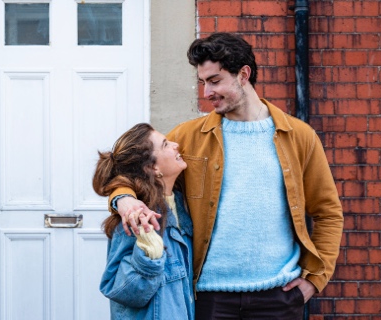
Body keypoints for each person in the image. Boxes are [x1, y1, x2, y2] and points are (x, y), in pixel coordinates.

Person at [109, 33, 344, 319]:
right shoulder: (188, 137)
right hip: (209, 298)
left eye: (215, 81)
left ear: (243, 74)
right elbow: (132, 173)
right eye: (203, 82)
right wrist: (123, 200)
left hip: (279, 298)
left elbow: (328, 212)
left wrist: (313, 281)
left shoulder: (299, 137)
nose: (206, 92)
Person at [93, 123, 194, 319]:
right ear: (152, 167)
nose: (176, 145)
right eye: (165, 144)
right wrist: (150, 255)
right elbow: (121, 290)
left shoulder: (182, 204)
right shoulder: (137, 218)